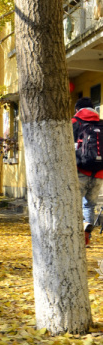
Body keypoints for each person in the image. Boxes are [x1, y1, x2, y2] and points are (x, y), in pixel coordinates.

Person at [73, 96, 103, 245]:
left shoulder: (75, 122)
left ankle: (77, 238)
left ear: (77, 109)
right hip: (99, 173)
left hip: (81, 170)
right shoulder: (101, 123)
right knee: (90, 205)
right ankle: (87, 238)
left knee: (75, 203)